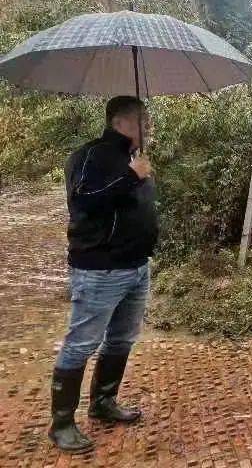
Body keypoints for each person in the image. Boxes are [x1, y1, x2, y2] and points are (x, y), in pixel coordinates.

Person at [49, 96, 158, 452]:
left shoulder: (131, 159)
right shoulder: (92, 156)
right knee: (81, 343)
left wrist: (134, 174)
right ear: (121, 123)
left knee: (121, 340)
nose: (149, 127)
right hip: (100, 268)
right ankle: (62, 424)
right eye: (144, 121)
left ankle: (103, 402)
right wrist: (130, 177)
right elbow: (84, 201)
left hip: (136, 267)